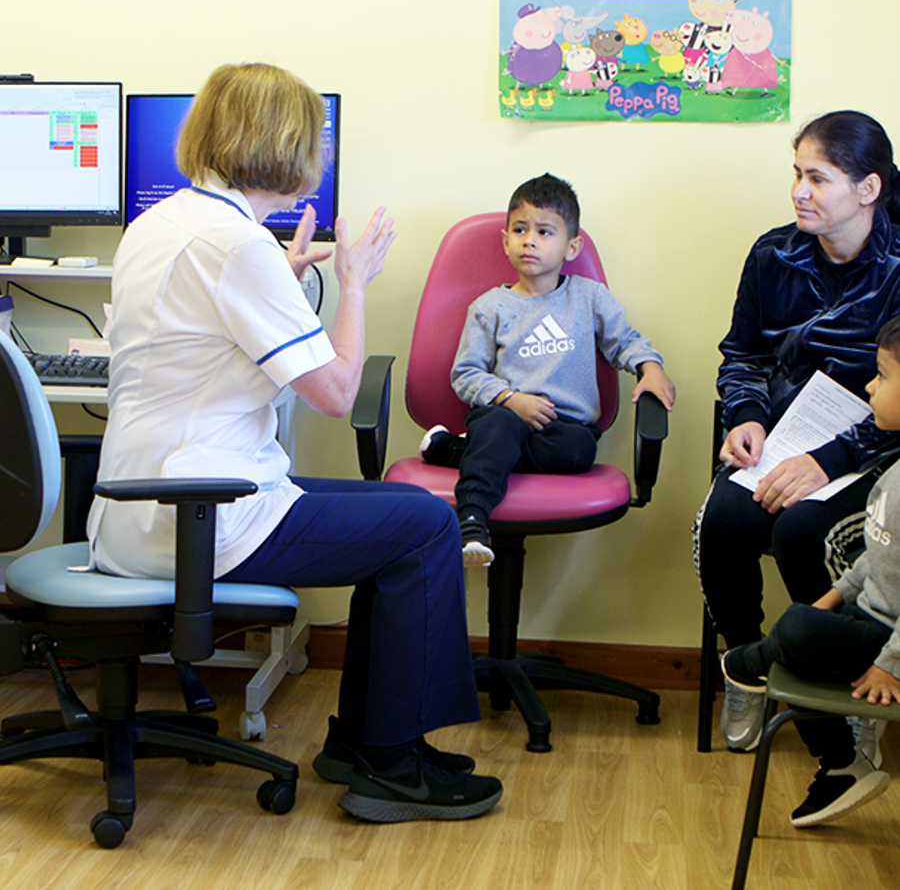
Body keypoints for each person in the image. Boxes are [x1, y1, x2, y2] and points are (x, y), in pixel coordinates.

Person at [85, 63, 502, 823]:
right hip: (199, 511)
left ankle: (367, 743)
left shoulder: (164, 224)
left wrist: (277, 277)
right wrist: (355, 281)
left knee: (401, 514)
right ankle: (391, 764)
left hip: (143, 505)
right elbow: (338, 394)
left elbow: (203, 338)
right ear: (285, 144)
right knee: (424, 524)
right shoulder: (234, 245)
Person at [693, 110, 900, 755]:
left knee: (800, 532)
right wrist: (746, 416)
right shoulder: (772, 253)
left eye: (818, 177)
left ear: (867, 189)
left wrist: (830, 457)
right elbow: (742, 353)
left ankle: (853, 694)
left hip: (872, 450)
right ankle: (747, 672)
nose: (798, 191)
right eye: (796, 174)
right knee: (724, 520)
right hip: (782, 434)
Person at [419, 173, 676, 566]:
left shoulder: (588, 298)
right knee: (498, 429)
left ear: (572, 246)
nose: (530, 240)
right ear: (505, 240)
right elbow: (466, 374)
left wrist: (650, 367)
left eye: (544, 231)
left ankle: (454, 450)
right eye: (520, 230)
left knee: (578, 452)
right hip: (505, 413)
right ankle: (472, 518)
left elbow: (624, 339)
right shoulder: (490, 307)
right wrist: (510, 399)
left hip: (565, 429)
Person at [721, 314, 900, 827]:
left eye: (884, 376)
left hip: (892, 645)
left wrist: (892, 664)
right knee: (805, 619)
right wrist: (835, 597)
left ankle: (753, 662)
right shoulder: (895, 473)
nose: (870, 384)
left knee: (795, 632)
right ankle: (841, 764)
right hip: (873, 622)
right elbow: (878, 555)